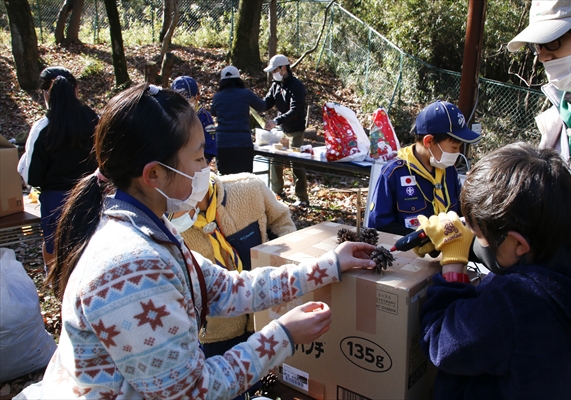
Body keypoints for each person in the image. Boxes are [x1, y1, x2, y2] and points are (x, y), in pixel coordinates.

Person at [15, 83, 376, 400]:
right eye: (200, 157)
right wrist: (283, 335)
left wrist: (330, 264)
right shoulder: (131, 265)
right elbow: (193, 392)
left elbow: (229, 289)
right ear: (154, 174)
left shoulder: (151, 230)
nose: (208, 168)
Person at [417, 142, 571, 399]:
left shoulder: (514, 302)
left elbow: (440, 342)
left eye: (481, 236)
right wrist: (474, 242)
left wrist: (454, 261)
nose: (480, 241)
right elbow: (514, 261)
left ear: (519, 244)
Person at [508, 3, 571, 397]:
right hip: (563, 311)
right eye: (537, 47)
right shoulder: (562, 117)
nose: (543, 55)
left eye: (554, 41)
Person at [169, 172, 296, 399]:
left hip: (267, 318)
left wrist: (282, 260)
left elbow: (281, 221)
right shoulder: (165, 227)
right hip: (215, 335)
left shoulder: (248, 189)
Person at [367, 100, 480, 255]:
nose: (457, 152)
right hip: (407, 257)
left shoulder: (449, 171)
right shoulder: (394, 173)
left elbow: (460, 213)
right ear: (429, 141)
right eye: (454, 147)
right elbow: (379, 225)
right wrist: (423, 236)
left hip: (450, 254)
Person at [17, 66, 98, 268]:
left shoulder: (43, 127)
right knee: (90, 244)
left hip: (55, 201)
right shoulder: (94, 120)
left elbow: (31, 176)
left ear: (45, 94)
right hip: (91, 194)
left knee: (55, 246)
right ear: (76, 90)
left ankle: (57, 289)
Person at [263, 54, 310, 207]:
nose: (272, 74)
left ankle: (302, 198)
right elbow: (267, 102)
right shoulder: (276, 85)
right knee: (275, 160)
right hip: (281, 130)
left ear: (283, 68)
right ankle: (277, 192)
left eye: (274, 70)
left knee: (296, 164)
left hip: (295, 129)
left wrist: (276, 121)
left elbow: (295, 110)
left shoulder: (296, 86)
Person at [210, 65, 267, 175]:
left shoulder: (218, 96)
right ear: (238, 79)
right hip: (243, 142)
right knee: (244, 179)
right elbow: (262, 106)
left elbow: (213, 112)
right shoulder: (245, 94)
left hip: (223, 142)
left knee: (225, 179)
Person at [172, 75, 217, 165]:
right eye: (178, 100)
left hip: (196, 165)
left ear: (197, 98)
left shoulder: (203, 117)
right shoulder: (170, 116)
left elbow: (210, 145)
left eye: (186, 99)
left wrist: (200, 164)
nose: (182, 104)